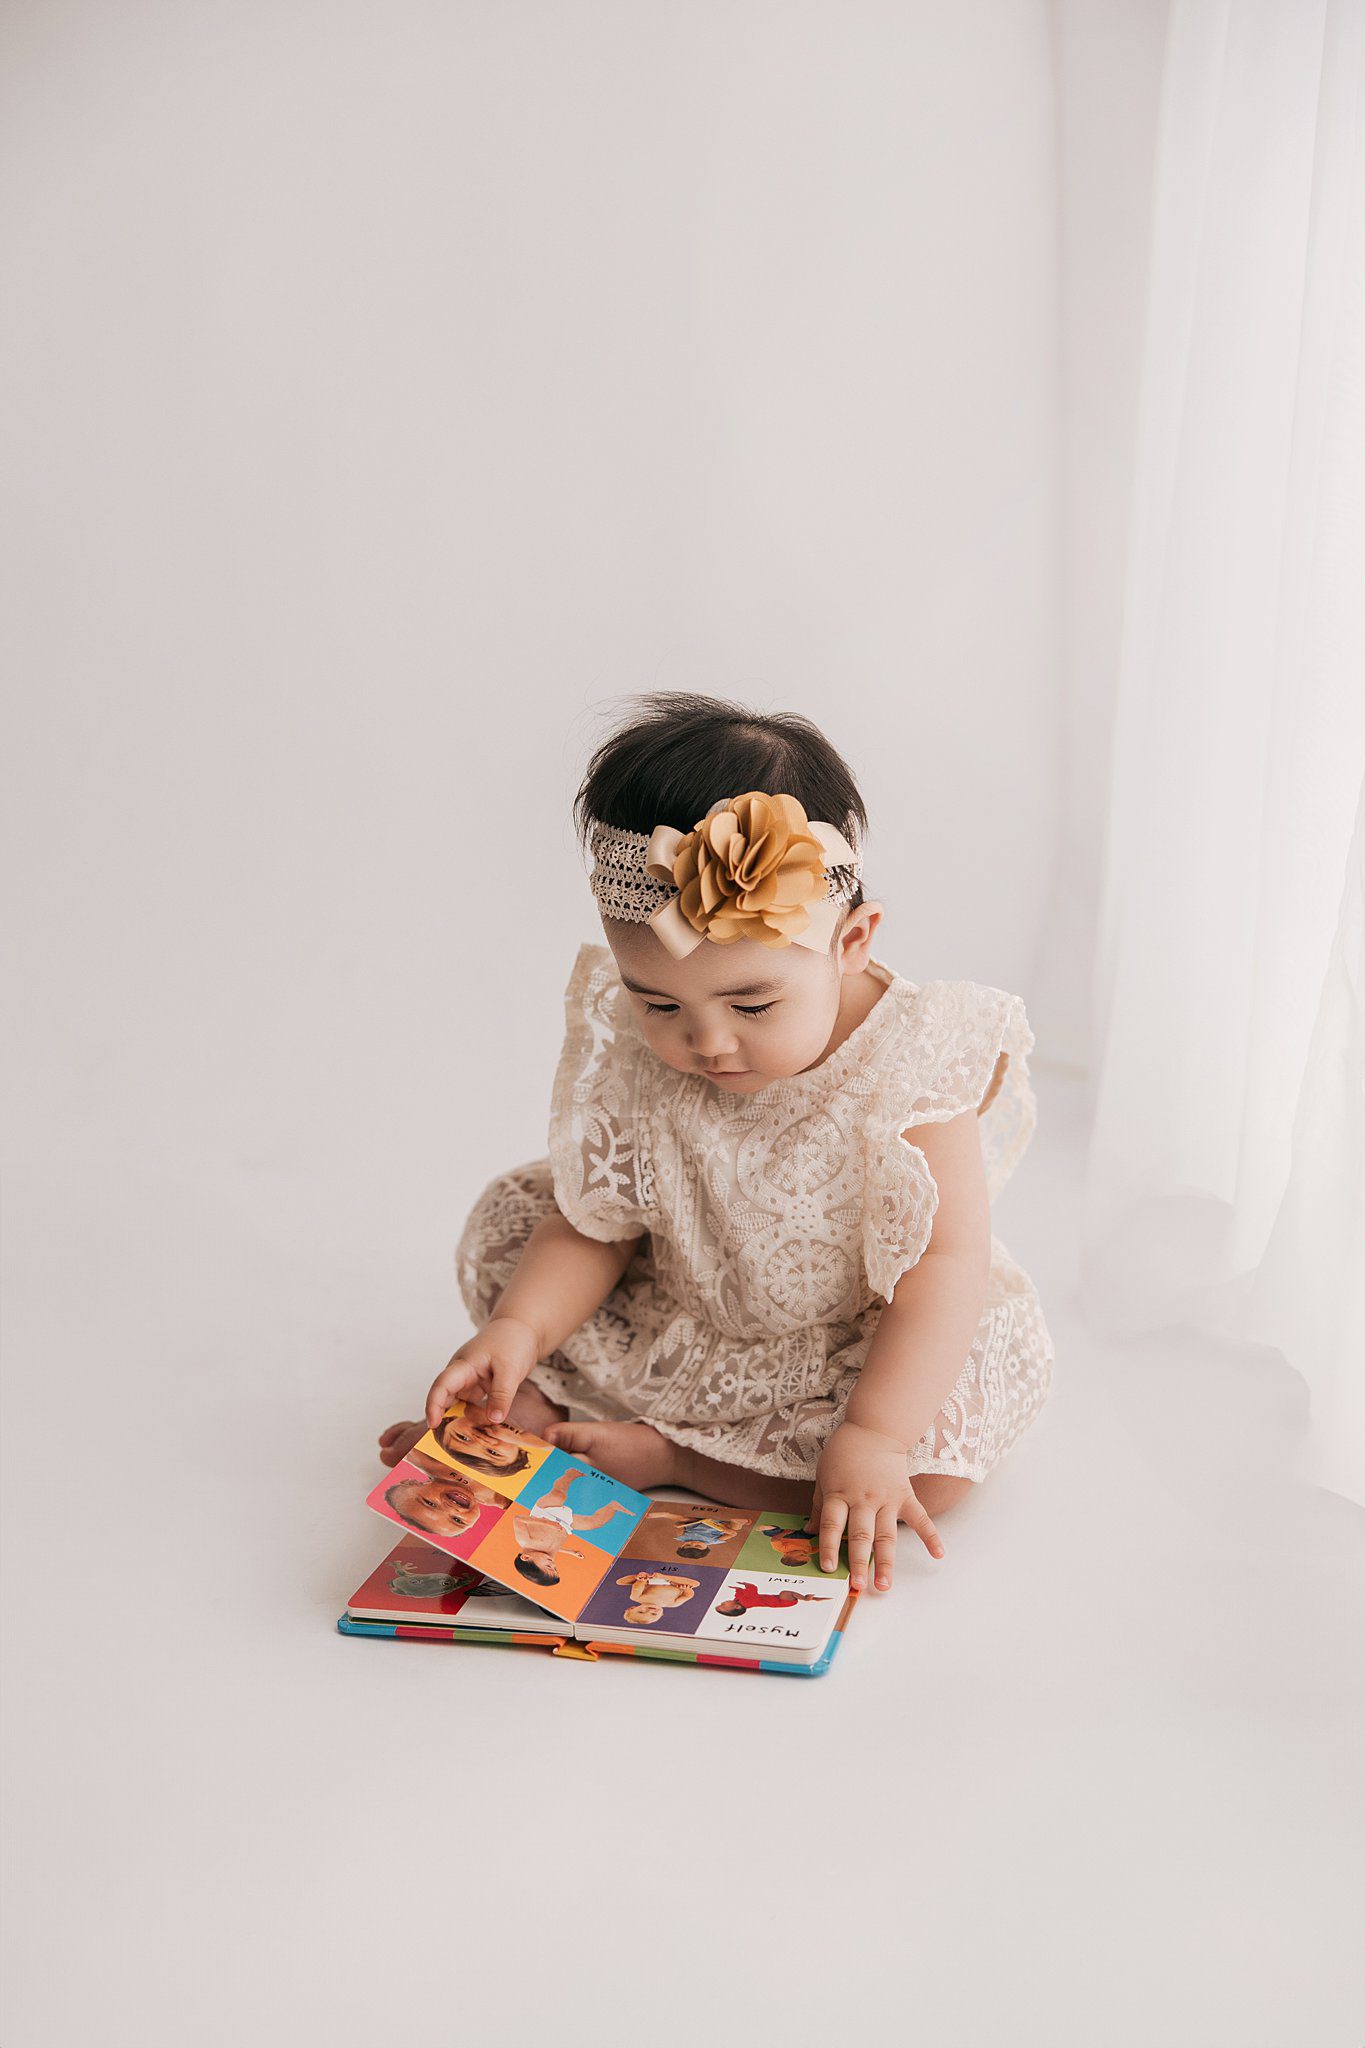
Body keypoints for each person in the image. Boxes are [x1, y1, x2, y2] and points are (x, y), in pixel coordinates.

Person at [379, 694, 1054, 1598]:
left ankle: (678, 1460)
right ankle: (527, 1399)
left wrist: (875, 1436)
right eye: (659, 1003)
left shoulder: (915, 1064)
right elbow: (597, 1225)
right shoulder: (646, 1043)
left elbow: (944, 1264)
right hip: (685, 1304)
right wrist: (519, 1329)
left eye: (751, 1004)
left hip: (851, 1341)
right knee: (520, 1230)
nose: (706, 1044)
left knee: (931, 1467)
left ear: (850, 942)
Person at [510, 1466, 635, 1586]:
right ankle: (612, 1506)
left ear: (526, 1557)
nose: (552, 1563)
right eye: (555, 1568)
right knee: (593, 1523)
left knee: (558, 1495)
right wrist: (571, 1552)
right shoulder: (548, 1556)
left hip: (546, 1512)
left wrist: (546, 1522)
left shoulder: (525, 1541)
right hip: (565, 1524)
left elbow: (518, 1519)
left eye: (549, 1566)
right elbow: (555, 1547)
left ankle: (569, 1475)